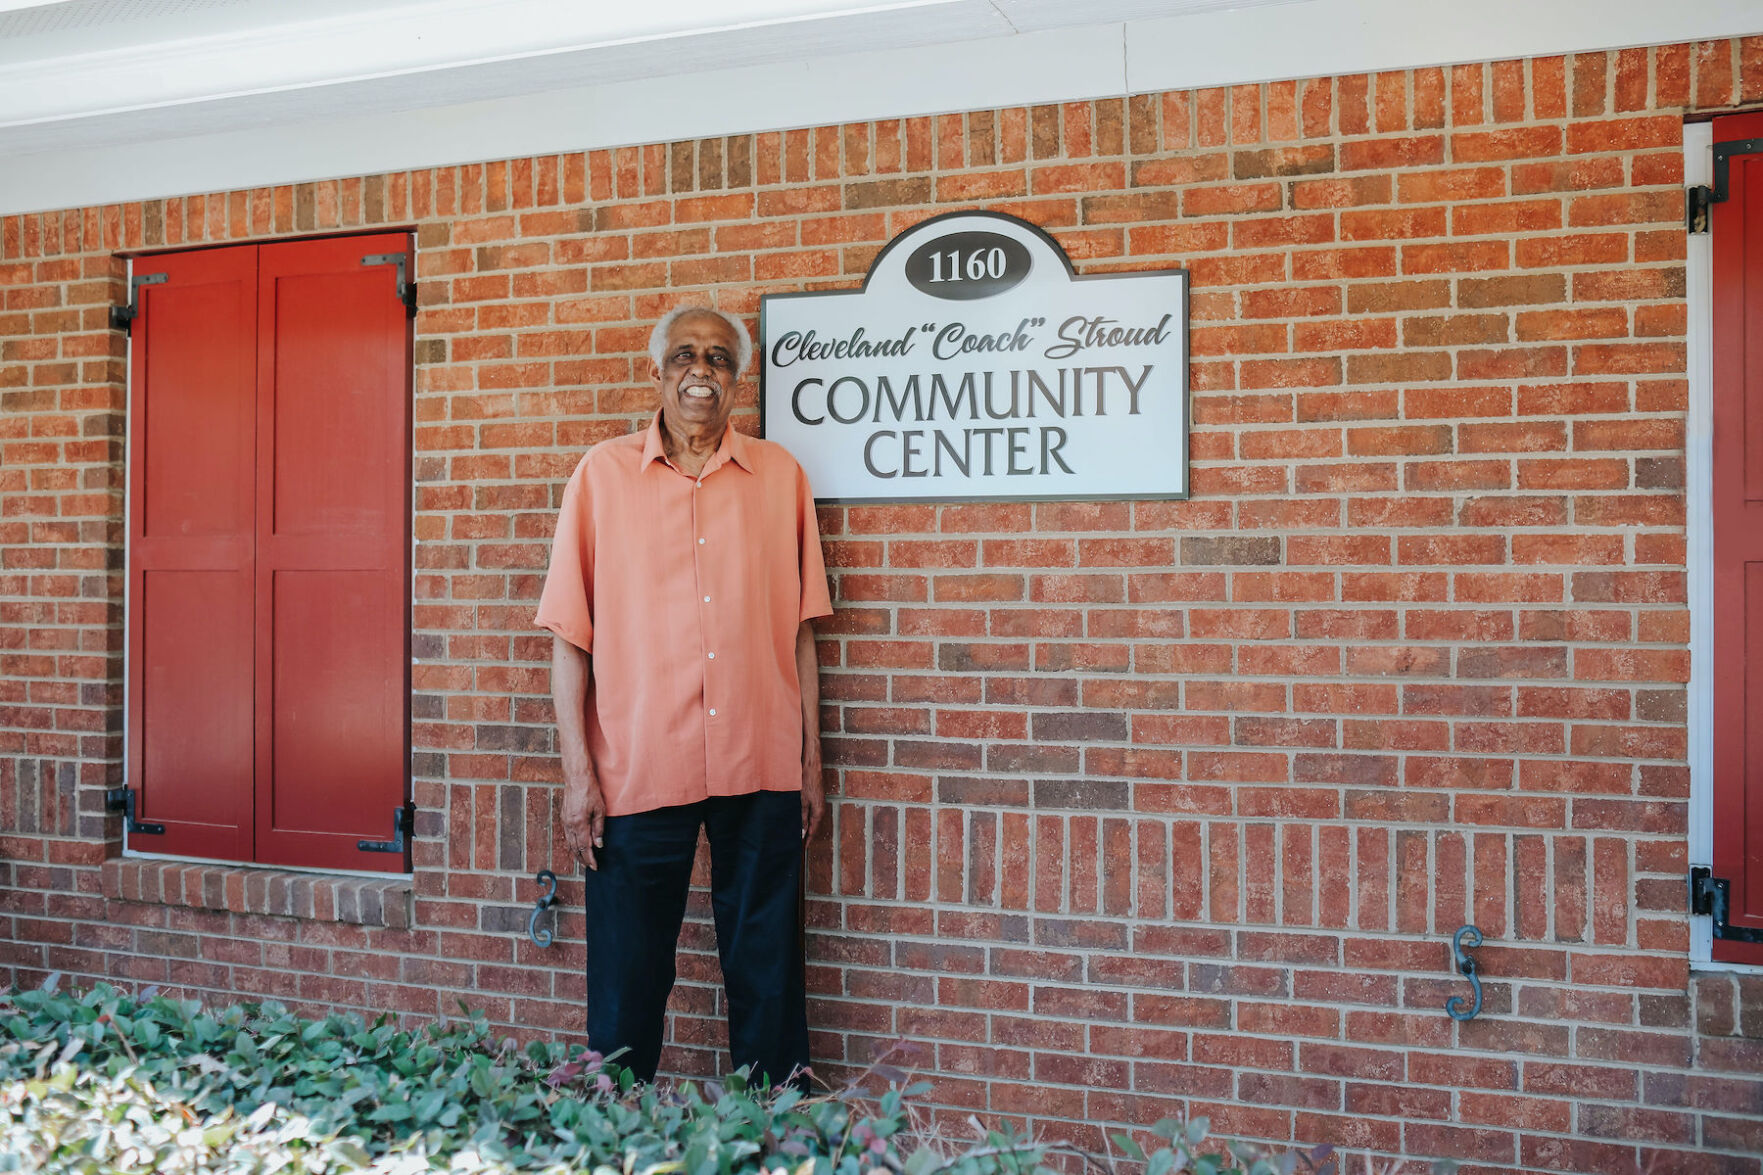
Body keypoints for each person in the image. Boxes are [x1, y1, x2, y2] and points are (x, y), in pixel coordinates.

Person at [534, 304, 832, 1089]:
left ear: (739, 377)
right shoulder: (600, 477)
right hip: (638, 762)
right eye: (685, 357)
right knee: (629, 967)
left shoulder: (780, 478)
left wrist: (811, 760)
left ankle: (777, 1120)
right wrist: (577, 776)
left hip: (759, 754)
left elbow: (801, 629)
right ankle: (613, 1114)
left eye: (720, 359)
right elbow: (570, 638)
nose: (702, 372)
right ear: (658, 371)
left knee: (767, 961)